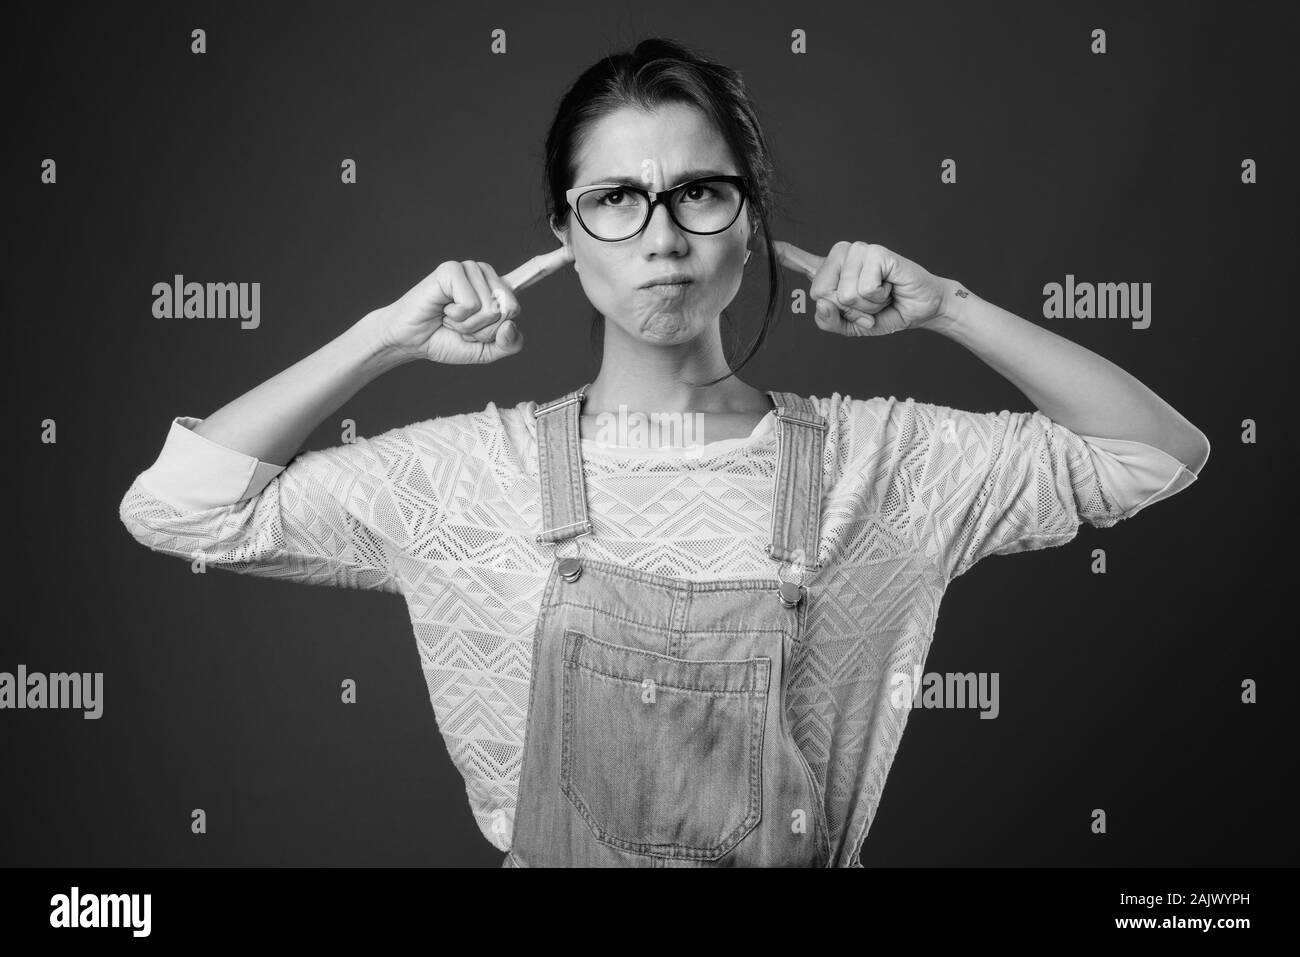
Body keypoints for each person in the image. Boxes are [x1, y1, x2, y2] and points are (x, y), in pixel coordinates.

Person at [118, 37, 1210, 867]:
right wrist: (379, 338)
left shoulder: (885, 463)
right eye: (614, 200)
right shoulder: (466, 475)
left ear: (749, 217)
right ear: (563, 234)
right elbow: (179, 509)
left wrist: (952, 308)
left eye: (698, 190)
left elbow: (1153, 455)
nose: (661, 234)